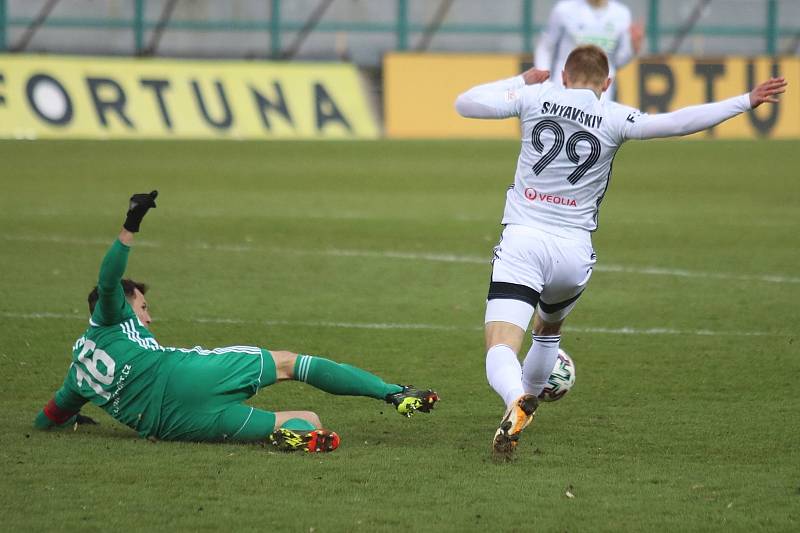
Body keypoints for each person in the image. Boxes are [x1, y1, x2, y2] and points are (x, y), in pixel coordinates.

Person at [454, 45, 786, 460]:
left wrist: (521, 80)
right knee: (548, 330)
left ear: (564, 74)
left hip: (525, 239)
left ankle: (516, 397)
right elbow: (678, 122)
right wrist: (745, 100)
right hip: (574, 253)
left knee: (502, 345)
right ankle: (531, 397)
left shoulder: (535, 97)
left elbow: (465, 103)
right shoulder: (615, 116)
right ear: (606, 83)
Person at [34, 191, 439, 453]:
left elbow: (46, 419)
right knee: (290, 363)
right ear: (123, 305)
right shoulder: (109, 315)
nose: (148, 316)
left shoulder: (77, 378)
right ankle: (394, 393)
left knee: (310, 422)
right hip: (187, 375)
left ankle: (294, 436)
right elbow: (108, 280)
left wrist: (72, 416)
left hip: (171, 424)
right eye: (142, 307)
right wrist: (131, 224)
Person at [534, 0, 643, 100]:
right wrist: (544, 82)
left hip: (600, 90)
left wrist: (633, 49)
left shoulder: (622, 14)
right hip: (565, 86)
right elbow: (545, 47)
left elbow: (617, 61)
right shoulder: (564, 9)